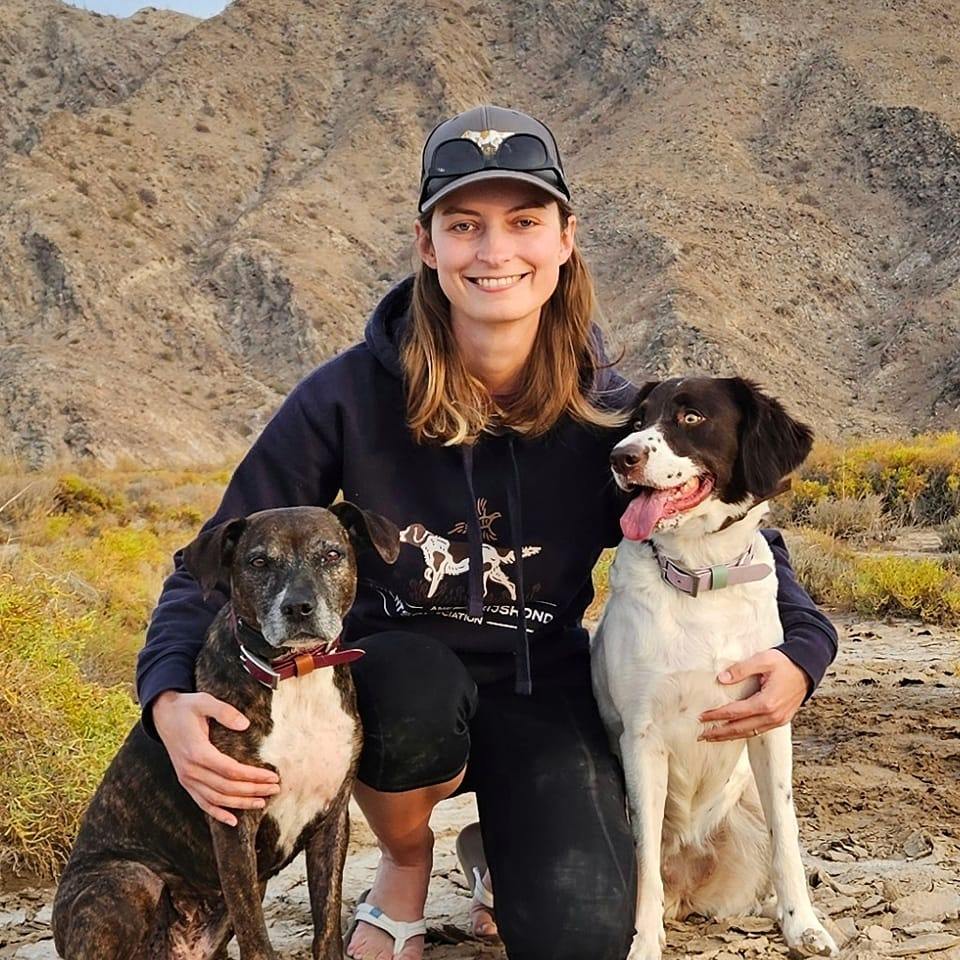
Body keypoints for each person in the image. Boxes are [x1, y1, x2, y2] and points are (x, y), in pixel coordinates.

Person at [136, 105, 838, 960]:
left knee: (582, 937)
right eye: (464, 225)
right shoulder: (348, 396)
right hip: (400, 685)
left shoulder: (611, 415)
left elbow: (729, 527)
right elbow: (218, 553)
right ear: (428, 245)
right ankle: (404, 861)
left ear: (565, 238)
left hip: (542, 684)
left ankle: (494, 853)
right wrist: (166, 695)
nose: (494, 251)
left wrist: (804, 651)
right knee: (414, 688)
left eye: (524, 222)